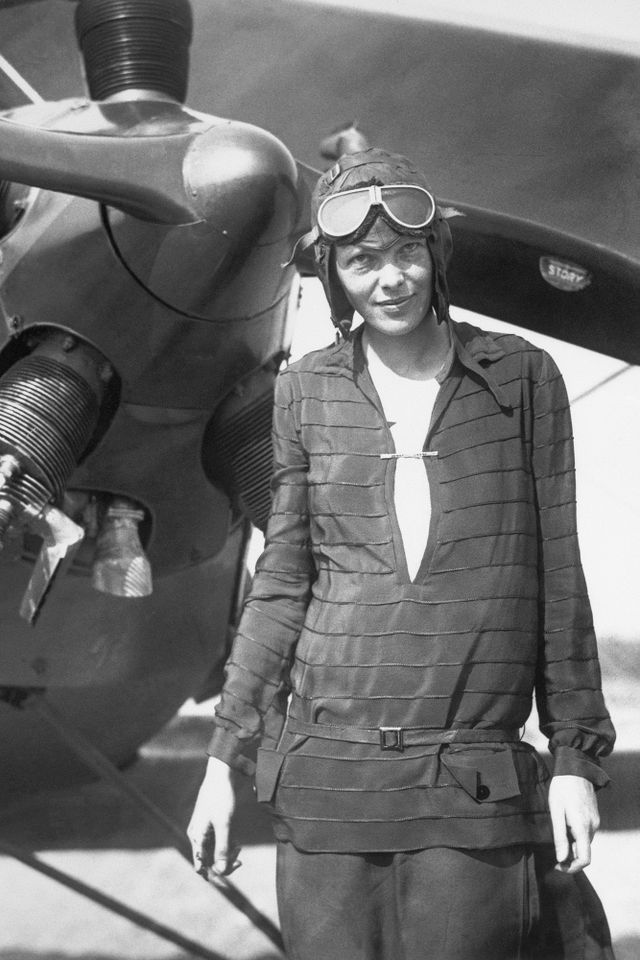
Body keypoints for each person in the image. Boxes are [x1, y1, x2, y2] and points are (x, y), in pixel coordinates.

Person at [188, 149, 616, 960]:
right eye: (362, 261)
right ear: (334, 275)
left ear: (435, 254)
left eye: (406, 253)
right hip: (326, 789)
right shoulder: (304, 390)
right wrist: (221, 763)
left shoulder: (522, 379)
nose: (390, 279)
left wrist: (574, 759)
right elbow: (282, 583)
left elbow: (560, 575)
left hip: (470, 783)